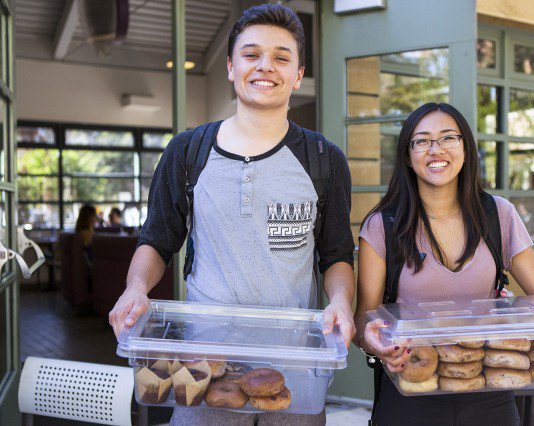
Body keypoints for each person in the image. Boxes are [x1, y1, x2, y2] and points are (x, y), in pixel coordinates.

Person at [108, 4, 355, 425]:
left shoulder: (323, 159)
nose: (265, 67)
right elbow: (157, 241)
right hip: (204, 363)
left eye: (281, 57)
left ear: (298, 74)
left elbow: (336, 256)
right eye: (251, 54)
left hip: (294, 366)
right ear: (230, 67)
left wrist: (340, 302)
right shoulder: (188, 151)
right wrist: (136, 288)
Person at [354, 102, 534, 426]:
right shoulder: (383, 225)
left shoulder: (497, 214)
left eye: (449, 138)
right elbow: (364, 315)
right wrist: (375, 340)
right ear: (408, 154)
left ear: (466, 148)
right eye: (422, 140)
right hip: (411, 390)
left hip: (491, 389)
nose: (437, 150)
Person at [75, 204, 97, 289]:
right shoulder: (87, 234)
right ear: (90, 218)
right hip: (90, 269)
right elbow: (88, 254)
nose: (96, 219)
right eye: (95, 216)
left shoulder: (80, 232)